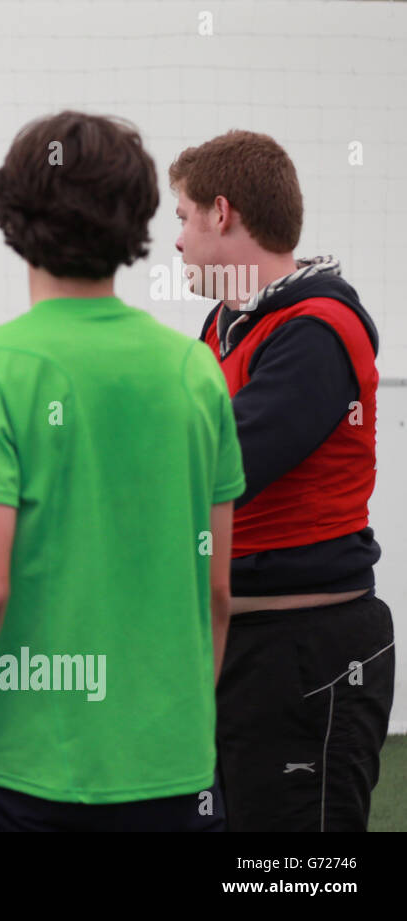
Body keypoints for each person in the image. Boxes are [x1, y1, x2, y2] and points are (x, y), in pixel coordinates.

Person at [0, 111, 241, 831]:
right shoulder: (196, 368)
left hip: (38, 766)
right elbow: (216, 587)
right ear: (141, 218)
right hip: (178, 766)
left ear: (10, 213)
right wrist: (180, 724)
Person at [171, 130, 394, 832]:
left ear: (222, 212)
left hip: (305, 651)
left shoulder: (317, 329)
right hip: (236, 641)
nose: (175, 240)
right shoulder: (223, 324)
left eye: (181, 216)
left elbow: (216, 467)